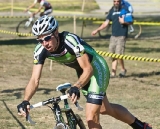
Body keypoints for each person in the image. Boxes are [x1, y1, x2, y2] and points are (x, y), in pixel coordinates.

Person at [17, 15, 152, 129]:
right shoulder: (40, 50)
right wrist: (25, 101)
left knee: (91, 118)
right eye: (40, 40)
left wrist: (76, 86)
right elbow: (34, 80)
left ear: (56, 32)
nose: (44, 43)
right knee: (106, 109)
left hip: (96, 68)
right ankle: (141, 126)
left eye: (47, 38)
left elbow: (88, 69)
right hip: (83, 73)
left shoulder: (70, 41)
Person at [91, 0, 130, 78]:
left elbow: (131, 21)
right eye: (114, 1)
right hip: (113, 36)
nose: (116, 2)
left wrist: (124, 22)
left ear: (120, 2)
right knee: (112, 54)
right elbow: (106, 23)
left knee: (119, 55)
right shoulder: (112, 10)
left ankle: (123, 69)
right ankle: (113, 73)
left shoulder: (124, 9)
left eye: (117, 1)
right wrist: (97, 30)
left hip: (122, 35)